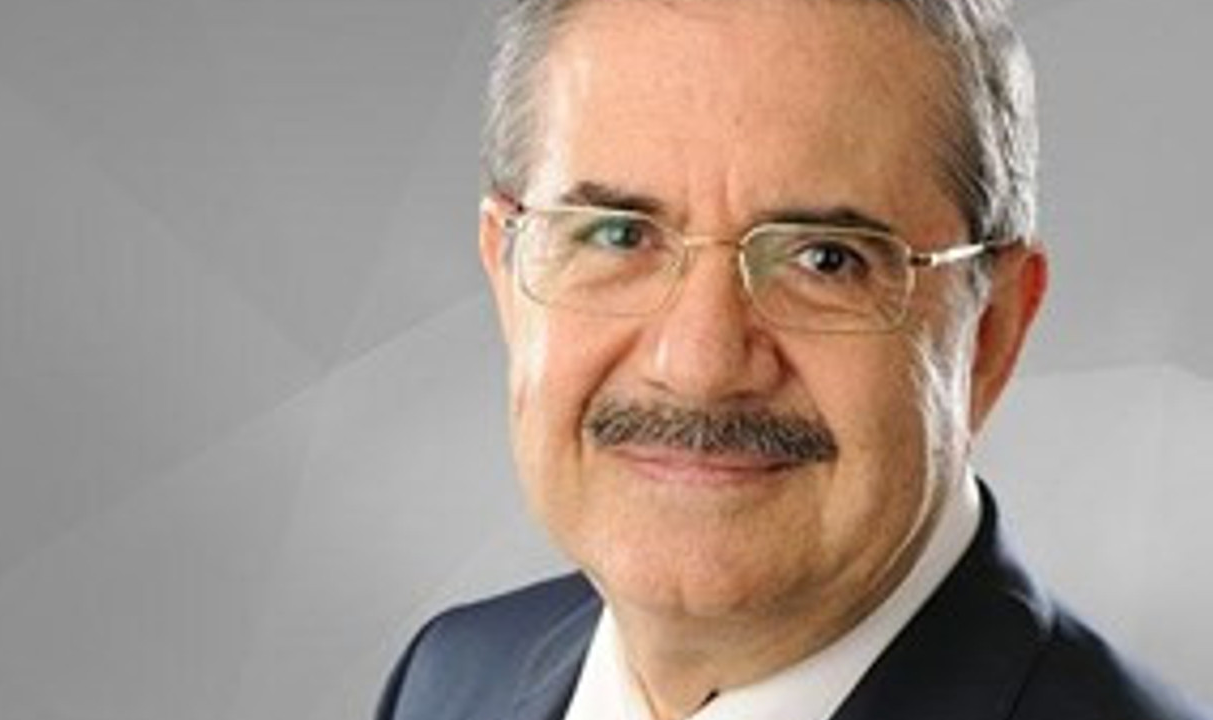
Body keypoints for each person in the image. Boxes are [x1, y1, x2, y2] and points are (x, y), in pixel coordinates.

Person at [376, 0, 1209, 718]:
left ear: (990, 333)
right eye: (619, 236)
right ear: (507, 278)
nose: (699, 364)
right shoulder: (451, 679)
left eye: (824, 259)